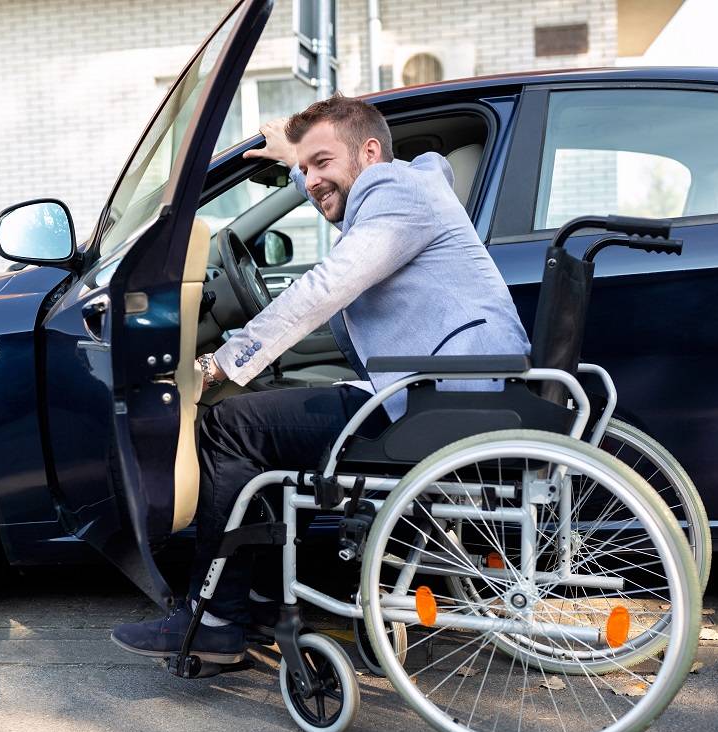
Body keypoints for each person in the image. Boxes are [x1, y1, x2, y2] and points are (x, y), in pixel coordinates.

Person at [111, 94, 530, 664]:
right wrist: (295, 158)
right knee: (267, 421)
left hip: (436, 399)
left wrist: (222, 362)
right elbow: (342, 202)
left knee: (232, 428)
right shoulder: (400, 192)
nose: (310, 180)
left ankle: (216, 617)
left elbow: (327, 285)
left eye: (322, 163)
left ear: (372, 151)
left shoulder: (397, 193)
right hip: (443, 387)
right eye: (305, 169)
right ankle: (257, 598)